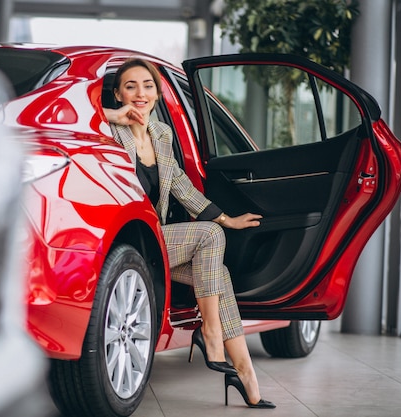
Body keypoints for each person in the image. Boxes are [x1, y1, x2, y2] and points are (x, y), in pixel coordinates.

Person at [103, 58, 275, 409]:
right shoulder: (109, 131)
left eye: (148, 85)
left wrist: (226, 218)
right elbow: (76, 123)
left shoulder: (162, 134)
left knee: (219, 272)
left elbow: (180, 185)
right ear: (118, 93)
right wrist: (113, 116)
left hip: (157, 243)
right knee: (209, 237)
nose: (140, 93)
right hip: (129, 244)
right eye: (131, 86)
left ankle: (245, 375)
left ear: (157, 92)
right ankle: (210, 335)